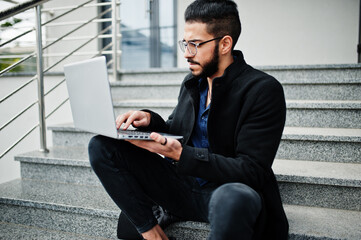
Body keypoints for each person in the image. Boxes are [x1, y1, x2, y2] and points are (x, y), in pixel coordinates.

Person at [88, 0, 289, 239]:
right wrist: (149, 120)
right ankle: (152, 234)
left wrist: (181, 155)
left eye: (195, 45)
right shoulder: (193, 81)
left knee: (233, 199)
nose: (186, 54)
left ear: (225, 44)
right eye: (185, 43)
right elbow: (178, 130)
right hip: (183, 185)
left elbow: (251, 170)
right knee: (102, 145)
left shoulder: (262, 89)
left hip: (224, 191)